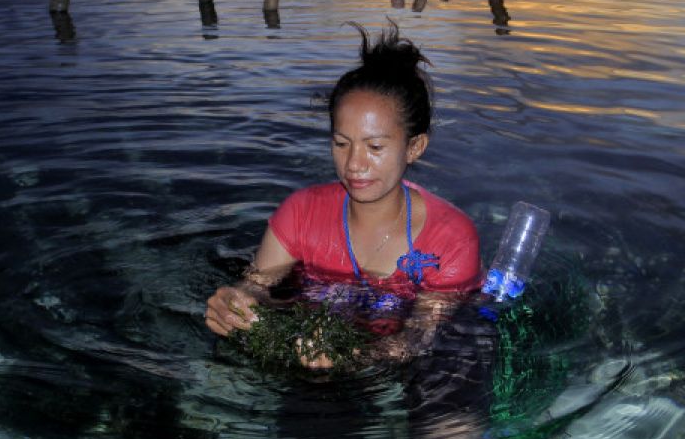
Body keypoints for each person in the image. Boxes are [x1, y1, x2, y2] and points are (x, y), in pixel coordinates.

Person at [204, 24, 482, 369]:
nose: (354, 164)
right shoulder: (300, 212)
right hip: (307, 354)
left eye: (375, 147)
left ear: (414, 147)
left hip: (397, 367)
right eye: (341, 143)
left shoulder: (451, 238)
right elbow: (257, 286)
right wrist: (235, 303)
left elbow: (419, 339)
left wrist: (356, 357)